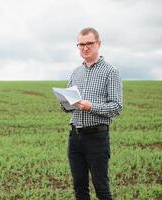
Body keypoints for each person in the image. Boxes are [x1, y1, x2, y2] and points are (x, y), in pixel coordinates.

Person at [61, 27, 123, 200]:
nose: (85, 48)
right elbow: (69, 106)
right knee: (79, 189)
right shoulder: (76, 72)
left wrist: (91, 107)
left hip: (97, 137)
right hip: (75, 136)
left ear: (98, 44)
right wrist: (65, 104)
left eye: (89, 43)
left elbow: (116, 107)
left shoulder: (110, 72)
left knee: (101, 188)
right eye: (81, 44)